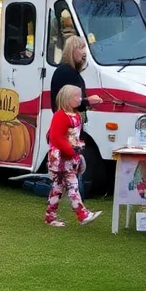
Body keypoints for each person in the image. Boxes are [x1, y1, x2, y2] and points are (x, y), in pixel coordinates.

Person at [46, 85, 102, 227]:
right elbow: (56, 137)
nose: (80, 99)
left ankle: (50, 216)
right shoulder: (60, 116)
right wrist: (71, 151)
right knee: (72, 185)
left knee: (58, 187)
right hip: (62, 157)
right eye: (76, 97)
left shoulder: (75, 115)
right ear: (67, 99)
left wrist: (74, 152)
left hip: (68, 156)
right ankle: (82, 214)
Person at [51, 35, 104, 114]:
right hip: (68, 120)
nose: (84, 52)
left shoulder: (71, 71)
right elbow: (70, 102)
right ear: (72, 51)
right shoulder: (66, 72)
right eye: (80, 48)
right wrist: (88, 101)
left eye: (84, 48)